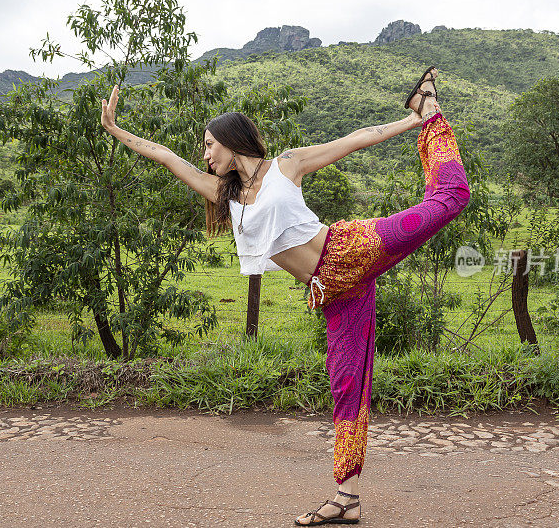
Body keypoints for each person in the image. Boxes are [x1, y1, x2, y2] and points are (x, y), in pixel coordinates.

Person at [101, 66, 471, 526]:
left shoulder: (285, 166)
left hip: (351, 250)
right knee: (346, 385)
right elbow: (165, 156)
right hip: (333, 291)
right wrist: (116, 131)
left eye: (209, 144)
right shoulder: (226, 194)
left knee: (452, 196)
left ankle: (431, 112)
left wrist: (412, 121)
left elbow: (355, 139)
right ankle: (347, 498)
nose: (204, 153)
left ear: (230, 140)